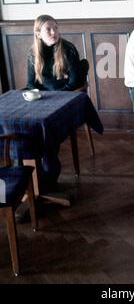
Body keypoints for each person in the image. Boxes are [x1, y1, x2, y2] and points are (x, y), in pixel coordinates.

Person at [26, 15, 82, 190]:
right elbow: (30, 83)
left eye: (56, 28)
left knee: (48, 129)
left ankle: (50, 172)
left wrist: (55, 96)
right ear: (38, 34)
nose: (54, 32)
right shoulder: (33, 53)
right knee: (27, 128)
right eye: (48, 29)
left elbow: (73, 83)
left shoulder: (68, 49)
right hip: (41, 98)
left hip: (64, 97)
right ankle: (31, 176)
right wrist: (34, 95)